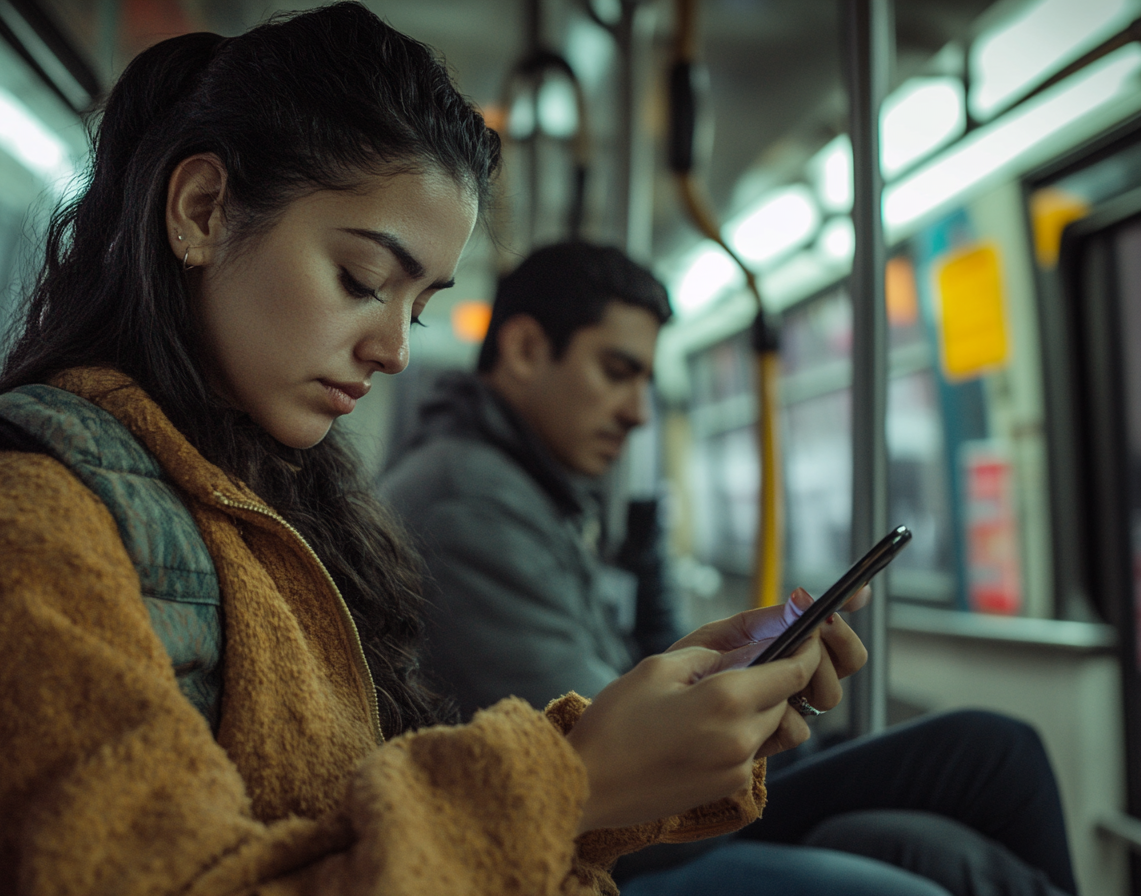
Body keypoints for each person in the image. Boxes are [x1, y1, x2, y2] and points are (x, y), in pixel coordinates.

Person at [0, 7, 863, 895]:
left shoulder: (281, 505)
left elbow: (362, 826)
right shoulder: (33, 520)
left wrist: (633, 757)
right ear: (203, 212)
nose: (395, 348)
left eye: (420, 304)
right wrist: (580, 779)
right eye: (362, 277)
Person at [380, 241, 1080, 896]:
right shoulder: (469, 505)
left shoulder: (526, 492)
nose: (635, 414)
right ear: (528, 350)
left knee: (905, 841)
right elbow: (619, 753)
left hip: (622, 817)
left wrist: (746, 668)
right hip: (604, 841)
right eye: (616, 373)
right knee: (992, 754)